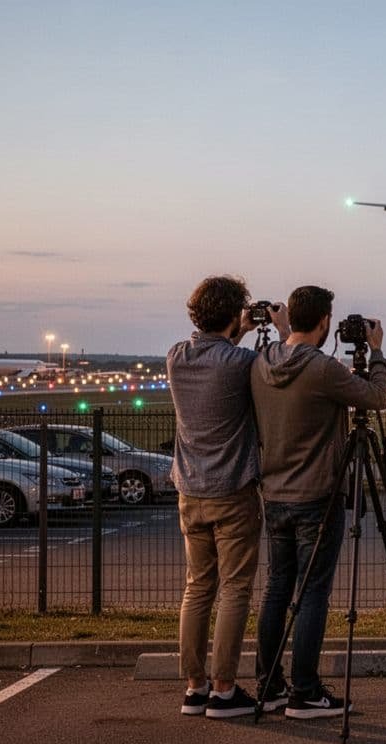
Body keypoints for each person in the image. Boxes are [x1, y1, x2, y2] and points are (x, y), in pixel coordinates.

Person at [251, 285, 386, 719]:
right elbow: (376, 397)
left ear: (291, 318)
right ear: (326, 322)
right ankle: (306, 691)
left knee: (277, 589)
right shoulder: (322, 369)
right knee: (313, 593)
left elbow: (281, 348)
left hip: (273, 495)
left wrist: (281, 331)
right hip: (317, 496)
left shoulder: (263, 361)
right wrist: (379, 352)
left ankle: (269, 684)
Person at [168, 275, 290, 719]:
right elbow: (272, 372)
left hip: (189, 490)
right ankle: (224, 688)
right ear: (235, 314)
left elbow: (213, 346)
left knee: (197, 588)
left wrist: (233, 325)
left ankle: (194, 686)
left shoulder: (176, 357)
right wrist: (279, 331)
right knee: (235, 589)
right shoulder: (240, 364)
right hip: (233, 490)